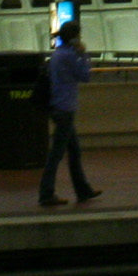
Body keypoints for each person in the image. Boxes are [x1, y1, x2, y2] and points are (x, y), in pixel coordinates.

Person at [39, 20, 102, 208]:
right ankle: (46, 193)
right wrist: (83, 54)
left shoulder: (57, 54)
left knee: (74, 151)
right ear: (75, 37)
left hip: (57, 107)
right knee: (56, 154)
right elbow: (86, 75)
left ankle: (83, 190)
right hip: (65, 109)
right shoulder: (69, 55)